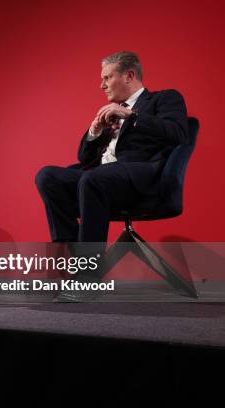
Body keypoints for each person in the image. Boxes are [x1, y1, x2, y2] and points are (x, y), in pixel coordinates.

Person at [35, 51, 188, 301]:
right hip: (98, 180)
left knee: (93, 178)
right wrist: (94, 132)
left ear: (129, 76)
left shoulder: (164, 99)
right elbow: (85, 159)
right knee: (48, 176)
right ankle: (69, 261)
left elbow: (179, 134)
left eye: (107, 77)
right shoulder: (110, 112)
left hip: (138, 179)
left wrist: (133, 116)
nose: (101, 85)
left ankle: (87, 280)